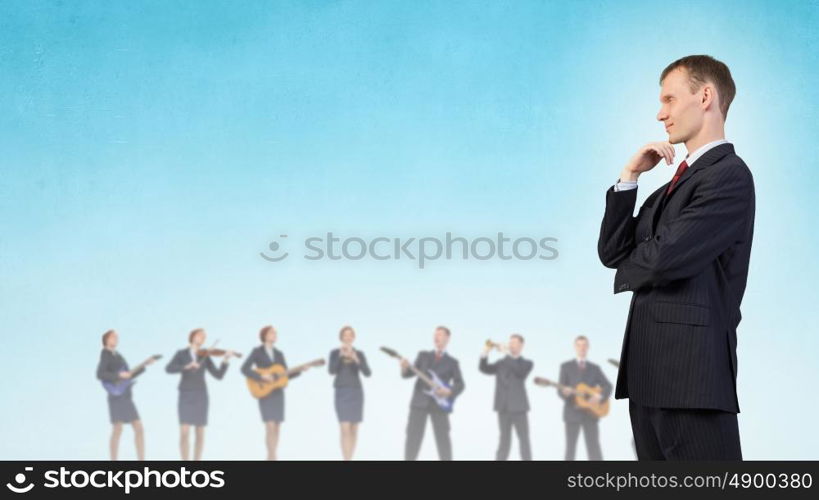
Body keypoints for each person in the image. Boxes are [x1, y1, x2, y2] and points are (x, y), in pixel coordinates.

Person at [597, 55, 754, 460]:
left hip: (692, 379)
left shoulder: (729, 175)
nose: (660, 113)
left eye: (669, 99)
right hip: (649, 378)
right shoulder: (668, 190)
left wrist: (641, 258)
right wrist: (629, 177)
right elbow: (613, 252)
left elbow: (665, 259)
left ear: (705, 96)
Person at [241, 325, 311, 460]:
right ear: (265, 335)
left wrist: (300, 370)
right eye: (272, 332)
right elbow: (244, 369)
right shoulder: (257, 351)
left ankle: (273, 454)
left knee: (277, 426)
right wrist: (261, 377)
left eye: (275, 333)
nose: (274, 334)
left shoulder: (280, 354)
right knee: (270, 425)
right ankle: (271, 456)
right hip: (264, 391)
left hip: (278, 393)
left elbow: (284, 375)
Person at [165, 328, 236, 460]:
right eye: (200, 335)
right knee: (184, 432)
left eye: (204, 337)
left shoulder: (205, 355)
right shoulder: (181, 354)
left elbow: (218, 375)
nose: (202, 338)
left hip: (201, 395)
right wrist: (185, 367)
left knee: (200, 432)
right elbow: (168, 368)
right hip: (185, 394)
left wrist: (225, 359)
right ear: (192, 337)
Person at [399, 326, 465, 460]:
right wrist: (404, 368)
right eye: (435, 334)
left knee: (443, 440)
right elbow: (407, 375)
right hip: (419, 403)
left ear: (447, 338)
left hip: (439, 405)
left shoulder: (453, 362)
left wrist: (449, 391)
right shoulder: (423, 355)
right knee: (413, 438)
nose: (436, 337)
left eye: (440, 334)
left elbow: (461, 384)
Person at [96, 329, 156, 460]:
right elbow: (100, 374)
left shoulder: (118, 355)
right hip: (117, 396)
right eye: (113, 337)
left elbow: (128, 374)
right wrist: (118, 375)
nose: (116, 339)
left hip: (126, 396)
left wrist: (145, 365)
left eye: (117, 337)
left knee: (138, 428)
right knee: (118, 429)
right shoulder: (105, 354)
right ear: (106, 339)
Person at [479, 334, 533, 460]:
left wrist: (508, 354)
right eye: (510, 342)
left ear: (521, 346)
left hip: (519, 408)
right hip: (502, 407)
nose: (511, 345)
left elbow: (519, 372)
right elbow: (483, 368)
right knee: (504, 440)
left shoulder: (527, 363)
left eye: (514, 343)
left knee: (524, 440)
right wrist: (485, 352)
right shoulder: (501, 363)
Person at [557, 336, 612, 460]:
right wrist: (565, 393)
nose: (582, 348)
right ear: (575, 347)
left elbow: (608, 386)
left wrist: (599, 396)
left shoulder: (595, 368)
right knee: (570, 450)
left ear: (588, 347)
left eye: (584, 345)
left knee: (594, 449)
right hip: (572, 414)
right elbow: (560, 391)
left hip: (591, 414)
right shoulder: (565, 367)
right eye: (579, 345)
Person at [328, 325, 371, 460]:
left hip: (356, 392)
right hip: (341, 391)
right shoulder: (334, 353)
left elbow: (367, 373)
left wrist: (356, 359)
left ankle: (350, 457)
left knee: (354, 428)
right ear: (341, 337)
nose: (348, 337)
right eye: (345, 335)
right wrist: (341, 356)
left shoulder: (360, 353)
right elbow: (331, 371)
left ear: (353, 337)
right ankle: (346, 459)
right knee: (344, 427)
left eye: (350, 334)